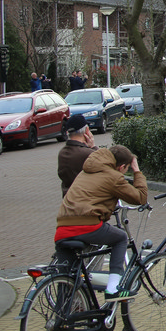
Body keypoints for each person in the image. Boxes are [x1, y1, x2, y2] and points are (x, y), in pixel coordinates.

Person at [55, 144, 146, 303]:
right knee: (120, 238)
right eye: (126, 169)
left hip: (62, 228)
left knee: (66, 277)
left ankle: (62, 313)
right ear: (122, 167)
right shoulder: (113, 176)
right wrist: (137, 171)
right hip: (87, 225)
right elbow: (140, 198)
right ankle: (113, 289)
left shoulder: (85, 172)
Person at [57, 115, 99, 196]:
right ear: (87, 130)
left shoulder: (62, 153)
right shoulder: (88, 153)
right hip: (87, 198)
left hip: (68, 198)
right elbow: (106, 165)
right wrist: (93, 146)